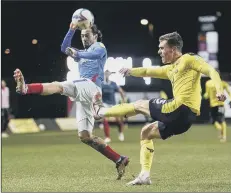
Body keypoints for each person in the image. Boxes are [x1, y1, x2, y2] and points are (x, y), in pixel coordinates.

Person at [93, 32, 226, 185]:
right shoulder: (170, 69)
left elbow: (211, 71)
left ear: (174, 49)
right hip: (183, 120)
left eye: (162, 48)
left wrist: (219, 90)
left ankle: (101, 112)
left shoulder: (188, 59)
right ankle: (144, 175)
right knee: (146, 133)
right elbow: (148, 71)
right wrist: (130, 71)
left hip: (181, 108)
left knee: (140, 104)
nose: (159, 51)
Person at [13, 22, 129, 180]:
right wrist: (72, 29)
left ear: (95, 36)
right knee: (85, 136)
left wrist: (78, 54)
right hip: (84, 93)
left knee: (59, 86)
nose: (84, 38)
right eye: (82, 36)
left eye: (87, 35)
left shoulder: (100, 47)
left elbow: (93, 55)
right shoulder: (81, 52)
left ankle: (26, 88)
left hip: (92, 86)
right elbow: (64, 48)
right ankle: (119, 159)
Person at [204, 77, 231, 142]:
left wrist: (205, 96)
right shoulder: (223, 83)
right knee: (222, 120)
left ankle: (219, 129)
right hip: (221, 104)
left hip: (213, 105)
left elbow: (206, 94)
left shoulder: (208, 83)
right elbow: (229, 91)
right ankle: (223, 135)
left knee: (214, 121)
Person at [102, 70, 126, 143]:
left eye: (107, 74)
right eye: (105, 74)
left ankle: (120, 133)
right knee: (105, 120)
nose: (106, 75)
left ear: (109, 75)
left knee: (118, 120)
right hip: (104, 104)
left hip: (113, 104)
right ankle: (107, 137)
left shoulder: (113, 84)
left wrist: (123, 100)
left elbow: (121, 91)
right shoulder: (101, 84)